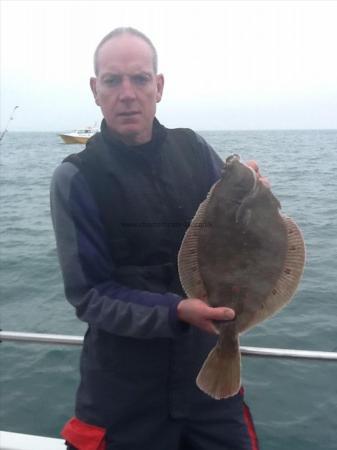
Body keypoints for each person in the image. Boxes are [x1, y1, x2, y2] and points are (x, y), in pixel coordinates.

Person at [50, 27, 260, 450]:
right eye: (112, 80)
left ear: (158, 87)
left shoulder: (195, 150)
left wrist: (253, 192)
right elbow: (89, 295)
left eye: (140, 78)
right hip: (122, 395)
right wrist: (176, 311)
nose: (127, 93)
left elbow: (241, 226)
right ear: (95, 90)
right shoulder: (76, 178)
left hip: (209, 381)